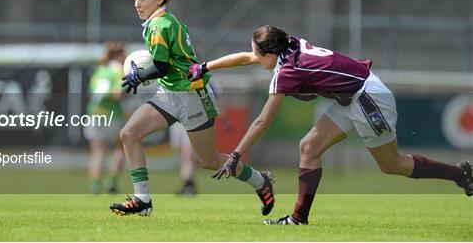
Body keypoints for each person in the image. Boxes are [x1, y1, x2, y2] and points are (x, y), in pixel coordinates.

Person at [187, 24, 473, 225]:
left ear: (270, 54)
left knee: (391, 164)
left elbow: (262, 120)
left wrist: (235, 154)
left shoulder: (287, 70)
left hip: (367, 98)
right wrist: (207, 66)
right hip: (351, 96)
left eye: (258, 54)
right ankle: (299, 219)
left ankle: (460, 174)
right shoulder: (288, 45)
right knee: (309, 147)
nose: (253, 57)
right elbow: (248, 57)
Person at [109, 0, 275, 216]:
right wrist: (141, 75)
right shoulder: (158, 23)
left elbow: (162, 67)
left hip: (193, 95)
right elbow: (165, 69)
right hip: (170, 93)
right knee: (129, 134)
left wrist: (137, 76)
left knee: (209, 161)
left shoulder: (160, 26)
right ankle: (143, 200)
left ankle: (261, 182)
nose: (137, 4)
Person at [84, 41, 126, 194]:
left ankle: (94, 185)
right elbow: (117, 94)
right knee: (120, 149)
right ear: (120, 54)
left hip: (95, 112)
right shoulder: (118, 70)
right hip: (111, 114)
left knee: (97, 151)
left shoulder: (100, 70)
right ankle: (111, 183)